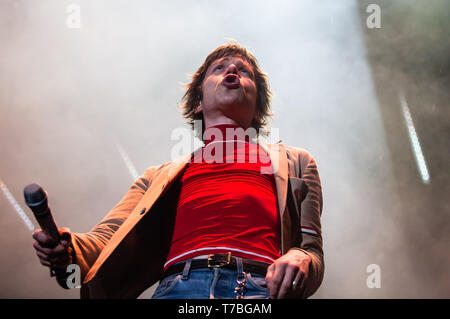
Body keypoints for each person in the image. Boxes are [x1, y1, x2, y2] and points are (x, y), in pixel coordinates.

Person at [32, 41, 324, 299]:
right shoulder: (158, 177)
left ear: (259, 108)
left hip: (260, 289)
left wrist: (301, 257)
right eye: (219, 68)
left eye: (244, 71)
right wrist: (69, 249)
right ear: (197, 103)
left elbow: (312, 252)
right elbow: (107, 238)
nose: (232, 69)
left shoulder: (296, 162)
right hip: (178, 289)